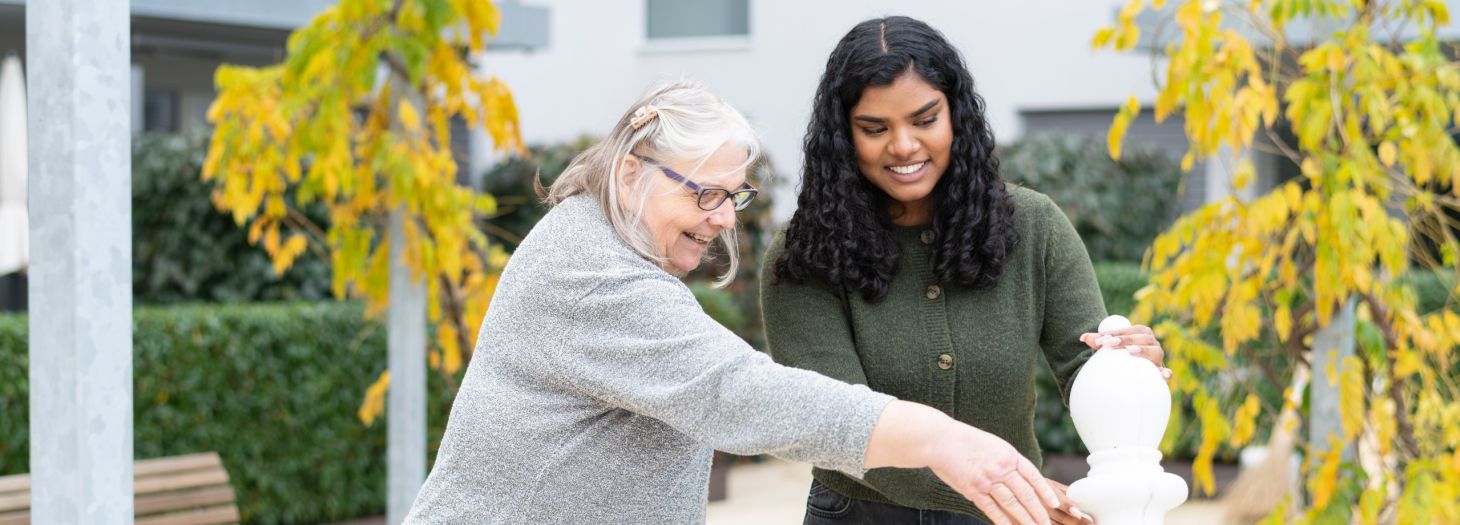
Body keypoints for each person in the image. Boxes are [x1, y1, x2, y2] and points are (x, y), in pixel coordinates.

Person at [404, 81, 1070, 524]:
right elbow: (742, 394)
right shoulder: (594, 277)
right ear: (632, 172)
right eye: (705, 193)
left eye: (734, 195)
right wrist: (939, 437)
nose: (725, 218)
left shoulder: (596, 236)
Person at [763, 16, 1170, 525]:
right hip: (867, 515)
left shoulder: (1033, 226)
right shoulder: (804, 254)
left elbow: (1085, 366)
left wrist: (1128, 372)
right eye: (874, 129)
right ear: (843, 137)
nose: (904, 145)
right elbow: (834, 423)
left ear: (956, 116)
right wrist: (1007, 491)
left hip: (1012, 512)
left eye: (925, 119)